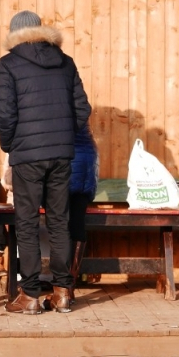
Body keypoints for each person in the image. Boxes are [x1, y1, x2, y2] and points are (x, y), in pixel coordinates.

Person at [0, 10, 91, 315]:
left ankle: (32, 294)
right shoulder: (65, 61)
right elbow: (82, 108)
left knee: (26, 222)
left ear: (15, 34)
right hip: (62, 154)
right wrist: (64, 136)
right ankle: (63, 291)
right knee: (59, 220)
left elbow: (5, 113)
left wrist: (11, 145)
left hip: (27, 156)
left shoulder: (8, 64)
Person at [68, 124, 99, 300]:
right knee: (76, 224)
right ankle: (69, 286)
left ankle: (63, 286)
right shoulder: (79, 101)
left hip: (65, 160)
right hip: (86, 159)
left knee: (60, 226)